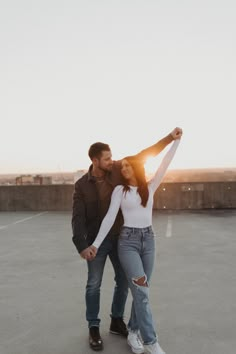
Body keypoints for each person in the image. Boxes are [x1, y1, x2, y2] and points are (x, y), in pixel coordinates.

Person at [71, 127, 182, 351]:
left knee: (126, 284)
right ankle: (94, 327)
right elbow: (79, 218)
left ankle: (120, 323)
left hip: (130, 238)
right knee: (94, 284)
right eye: (107, 159)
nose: (113, 162)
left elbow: (146, 155)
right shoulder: (83, 185)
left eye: (113, 158)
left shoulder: (121, 171)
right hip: (102, 240)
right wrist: (85, 245)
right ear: (95, 161)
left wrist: (171, 139)